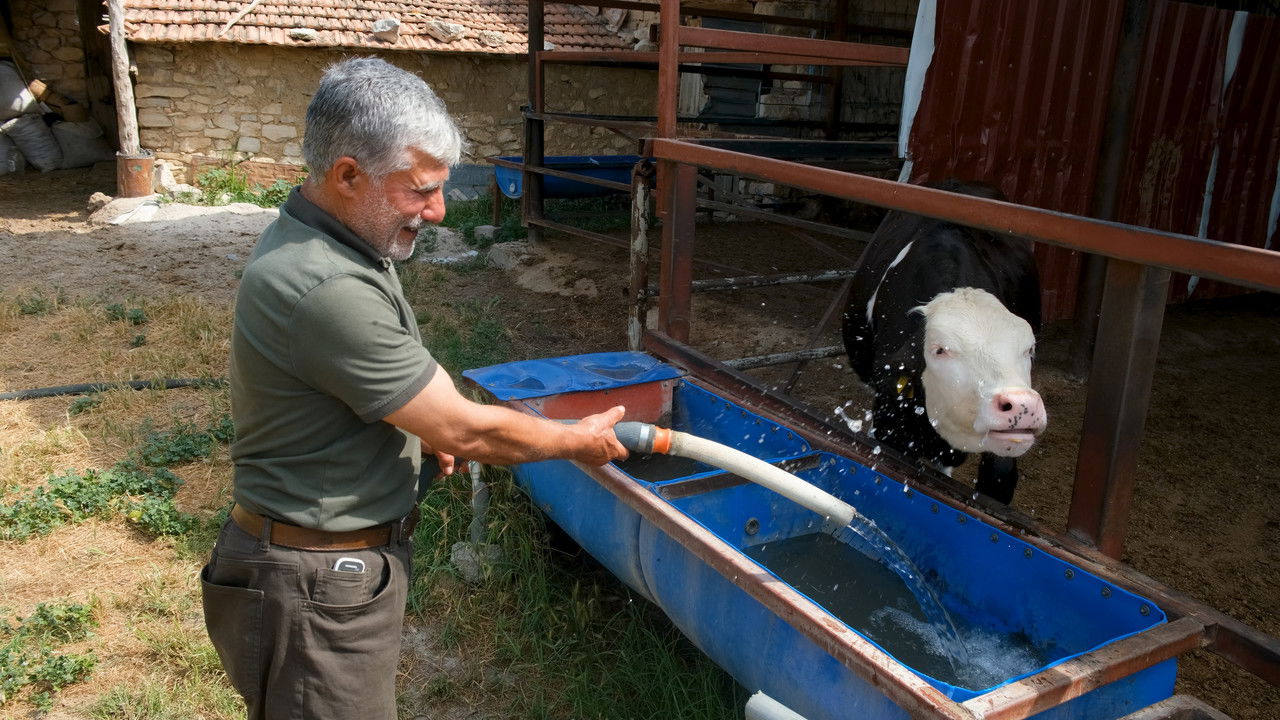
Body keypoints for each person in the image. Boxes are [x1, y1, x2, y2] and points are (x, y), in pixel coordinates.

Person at [200, 57, 628, 720]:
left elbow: (397, 376)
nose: (438, 209)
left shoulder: (341, 243)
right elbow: (468, 429)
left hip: (322, 573)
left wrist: (413, 427)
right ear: (347, 175)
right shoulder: (329, 287)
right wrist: (573, 439)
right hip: (313, 587)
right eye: (420, 190)